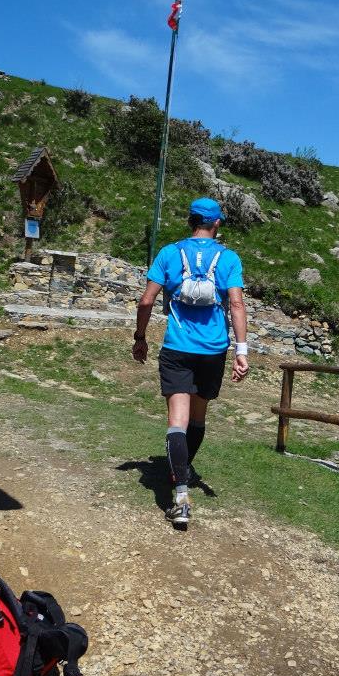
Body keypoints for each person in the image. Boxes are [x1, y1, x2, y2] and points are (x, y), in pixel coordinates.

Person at [132, 197, 250, 526]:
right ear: (217, 224)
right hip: (213, 351)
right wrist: (241, 351)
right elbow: (236, 305)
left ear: (190, 221)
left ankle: (181, 496)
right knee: (197, 419)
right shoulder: (229, 258)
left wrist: (140, 337)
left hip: (177, 348)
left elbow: (146, 300)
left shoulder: (169, 253)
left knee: (177, 421)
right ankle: (182, 472)